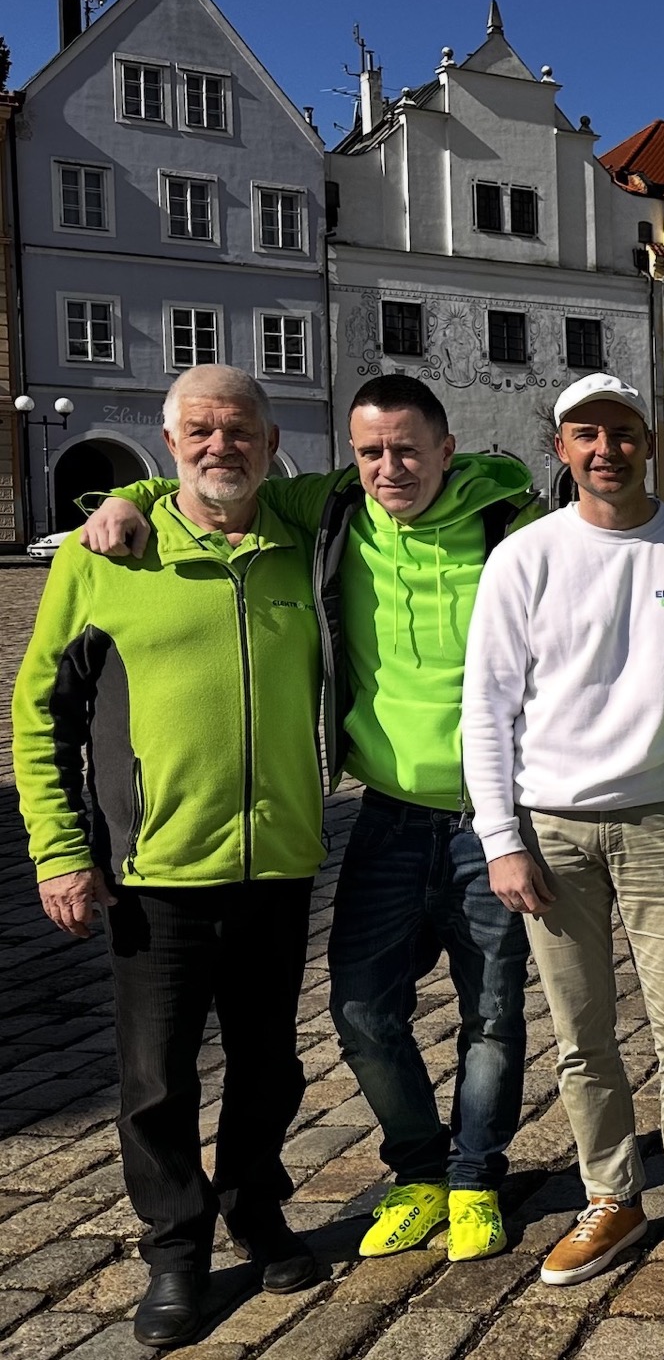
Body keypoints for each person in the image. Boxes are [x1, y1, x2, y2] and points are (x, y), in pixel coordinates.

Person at [78, 377, 664, 1266]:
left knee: (496, 1016)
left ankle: (475, 1177)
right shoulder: (330, 514)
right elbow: (214, 472)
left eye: (407, 449)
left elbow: (620, 531)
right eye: (370, 452)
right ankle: (422, 1168)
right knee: (360, 1009)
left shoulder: (502, 521)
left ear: (445, 450)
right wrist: (128, 495)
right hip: (390, 814)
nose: (389, 467)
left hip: (497, 813)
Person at [12, 367, 328, 1347]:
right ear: (170, 441)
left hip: (279, 861)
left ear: (271, 445)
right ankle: (176, 1250)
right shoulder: (109, 556)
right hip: (155, 871)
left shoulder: (299, 539)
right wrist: (60, 851)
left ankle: (256, 1208)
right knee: (156, 1080)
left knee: (270, 1064)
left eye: (239, 430)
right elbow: (40, 712)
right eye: (199, 430)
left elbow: (427, 471)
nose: (219, 445)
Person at [460, 373, 664, 1299]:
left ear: (649, 442)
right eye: (586, 434)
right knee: (581, 1032)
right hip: (551, 828)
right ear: (561, 449)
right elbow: (487, 705)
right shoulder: (525, 557)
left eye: (622, 433)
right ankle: (612, 1196)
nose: (605, 450)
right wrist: (500, 838)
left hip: (663, 818)